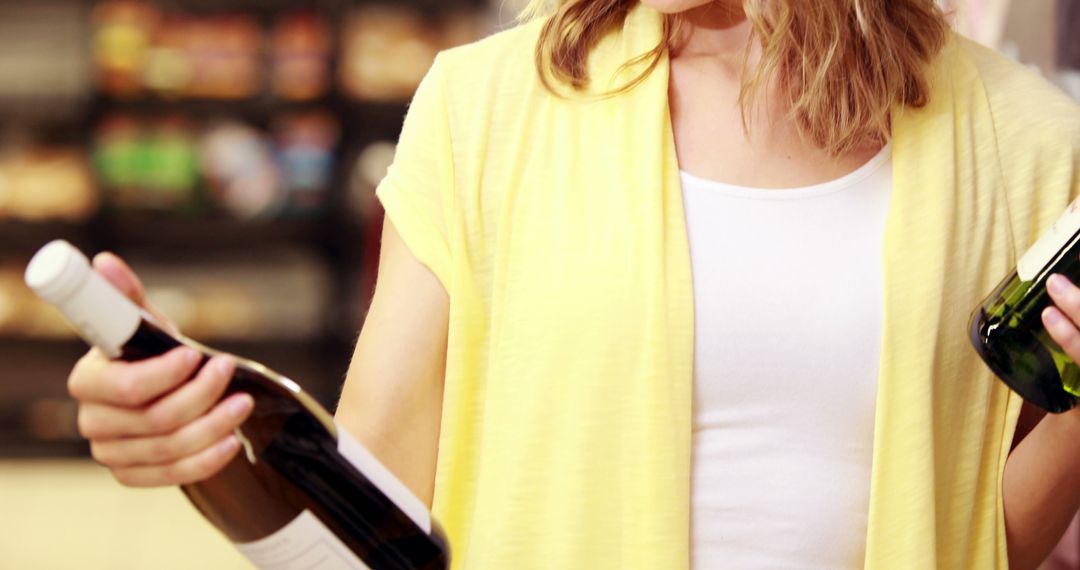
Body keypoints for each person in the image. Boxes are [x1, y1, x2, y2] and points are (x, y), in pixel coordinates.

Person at [65, 1, 1080, 568]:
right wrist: (204, 441)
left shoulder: (1026, 145)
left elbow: (980, 542)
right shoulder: (485, 110)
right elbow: (372, 519)